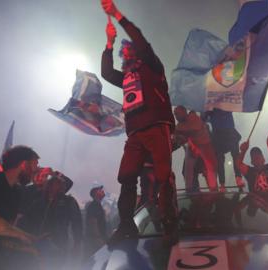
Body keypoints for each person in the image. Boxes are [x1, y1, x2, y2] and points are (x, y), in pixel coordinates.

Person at [100, 0, 178, 246]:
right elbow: (106, 73)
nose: (126, 55)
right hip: (135, 132)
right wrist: (109, 44)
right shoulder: (127, 79)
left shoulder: (153, 68)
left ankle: (169, 224)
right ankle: (126, 226)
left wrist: (117, 15)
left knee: (163, 175)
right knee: (126, 176)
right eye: (123, 54)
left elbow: (140, 40)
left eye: (128, 51)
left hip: (157, 125)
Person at [19, 173, 82, 269]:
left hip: (57, 245)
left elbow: (77, 223)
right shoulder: (38, 200)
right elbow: (27, 218)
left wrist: (77, 244)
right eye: (53, 182)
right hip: (35, 243)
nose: (54, 185)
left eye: (58, 183)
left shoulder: (68, 201)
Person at [174, 106, 218, 191]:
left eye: (177, 113)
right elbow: (179, 141)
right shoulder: (179, 126)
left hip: (205, 146)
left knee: (210, 169)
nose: (176, 116)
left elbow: (194, 130)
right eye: (175, 114)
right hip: (193, 148)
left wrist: (177, 132)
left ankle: (214, 190)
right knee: (187, 170)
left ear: (184, 112)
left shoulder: (193, 117)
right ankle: (191, 191)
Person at [204, 108, 244, 191]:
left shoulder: (226, 101)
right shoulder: (209, 106)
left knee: (235, 154)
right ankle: (222, 184)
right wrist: (207, 112)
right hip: (218, 133)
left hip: (229, 130)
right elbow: (203, 118)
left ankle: (238, 177)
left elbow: (234, 106)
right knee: (220, 158)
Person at [236, 141, 268, 211]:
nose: (256, 158)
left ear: (264, 159)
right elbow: (238, 164)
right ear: (251, 162)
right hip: (260, 213)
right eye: (253, 157)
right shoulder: (249, 171)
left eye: (258, 155)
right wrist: (243, 151)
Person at [84, 185, 108, 259]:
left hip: (98, 239)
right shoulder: (94, 205)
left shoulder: (98, 205)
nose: (102, 191)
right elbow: (93, 223)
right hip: (95, 241)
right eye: (100, 190)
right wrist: (99, 239)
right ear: (95, 193)